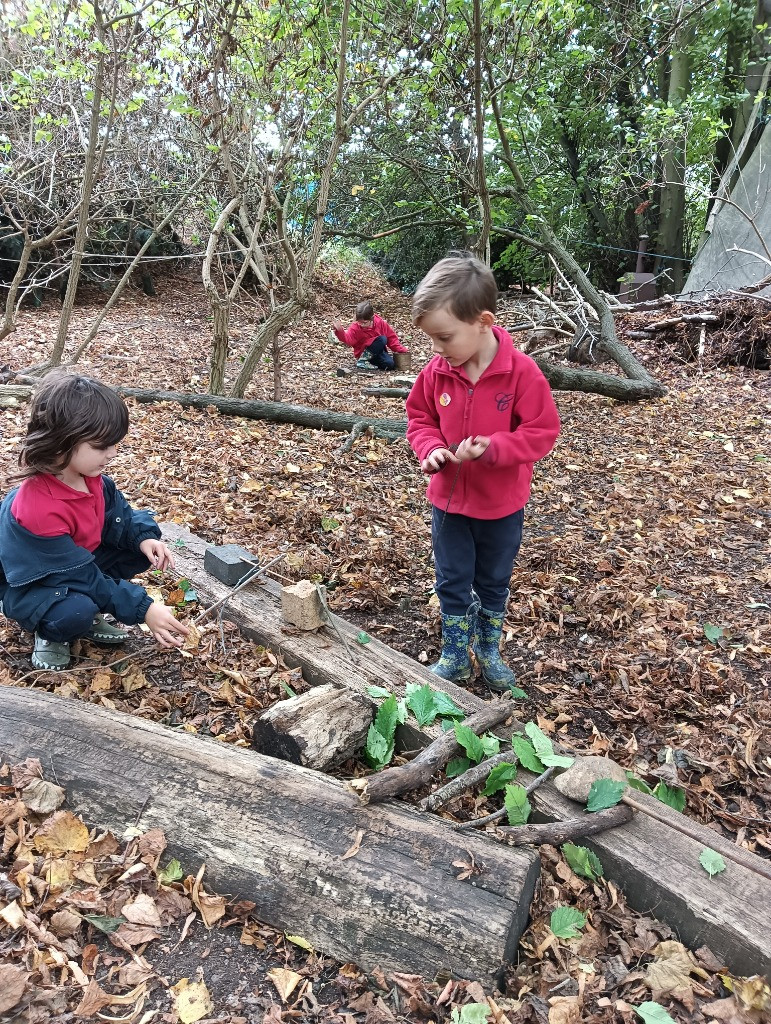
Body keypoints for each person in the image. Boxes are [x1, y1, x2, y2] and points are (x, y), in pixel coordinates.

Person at [405, 255, 560, 690]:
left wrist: (494, 448)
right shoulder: (436, 372)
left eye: (444, 337)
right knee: (452, 577)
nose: (437, 348)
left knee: (493, 578)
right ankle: (454, 653)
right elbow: (419, 418)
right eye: (431, 338)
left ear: (483, 322)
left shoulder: (522, 374)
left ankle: (488, 648)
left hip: (501, 505)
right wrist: (431, 448)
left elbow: (542, 431)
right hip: (450, 503)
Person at [0, 373, 189, 671]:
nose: (112, 453)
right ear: (62, 443)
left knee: (136, 552)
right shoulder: (36, 507)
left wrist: (143, 537)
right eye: (102, 446)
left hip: (76, 565)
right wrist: (144, 608)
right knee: (75, 613)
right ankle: (49, 632)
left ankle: (94, 605)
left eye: (113, 444)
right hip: (36, 582)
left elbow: (119, 515)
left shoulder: (93, 480)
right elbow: (78, 576)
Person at [332, 300, 409, 370]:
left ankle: (369, 364)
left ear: (371, 319)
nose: (361, 325)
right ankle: (363, 361)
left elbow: (391, 338)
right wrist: (340, 332)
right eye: (360, 322)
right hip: (363, 352)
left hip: (378, 352)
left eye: (364, 322)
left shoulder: (380, 323)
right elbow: (348, 339)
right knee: (382, 339)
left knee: (389, 365)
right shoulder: (355, 327)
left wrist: (401, 350)